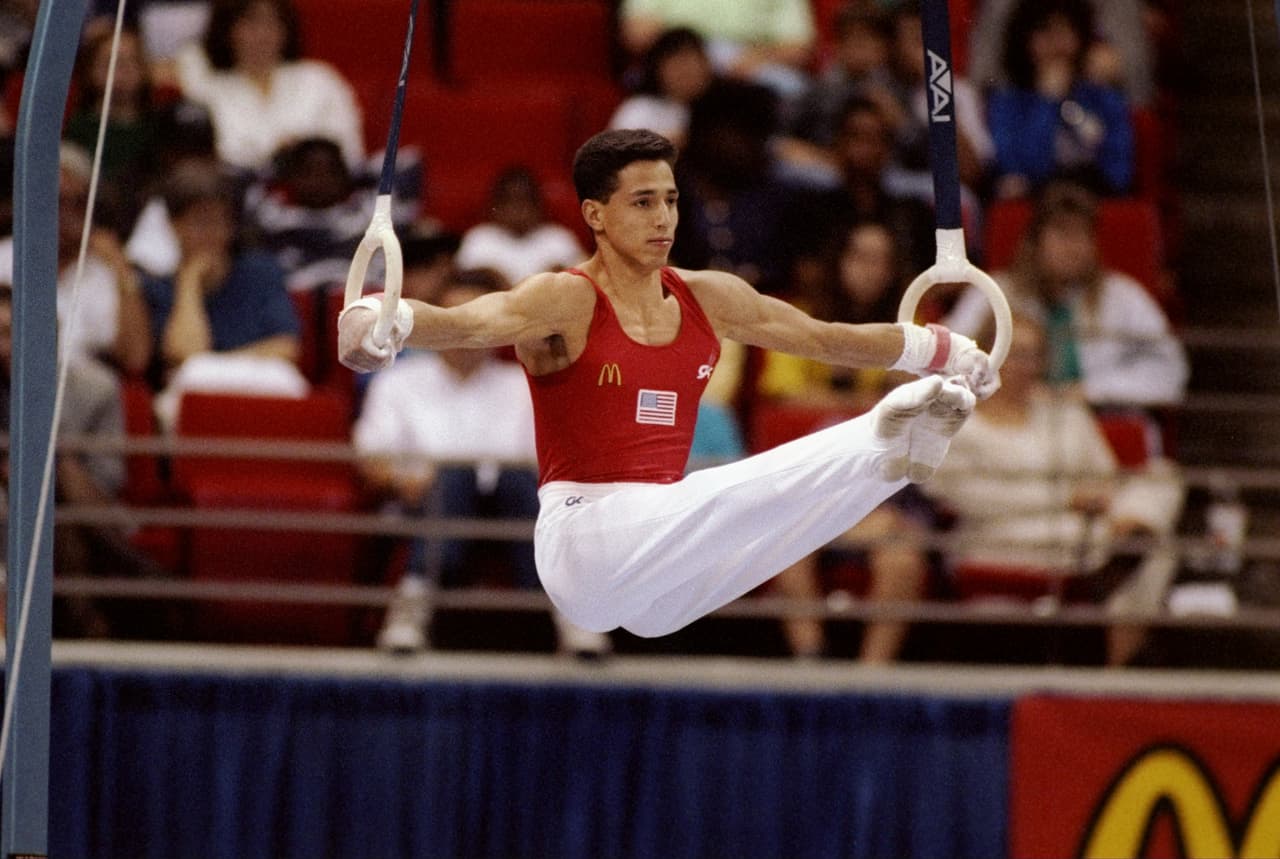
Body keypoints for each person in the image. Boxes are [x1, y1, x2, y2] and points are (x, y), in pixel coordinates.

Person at [338, 128, 997, 641]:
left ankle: (889, 459)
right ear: (595, 214)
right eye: (643, 202)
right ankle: (876, 437)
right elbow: (469, 323)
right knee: (734, 491)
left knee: (781, 529)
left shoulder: (710, 297)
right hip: (585, 542)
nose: (664, 218)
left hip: (662, 576)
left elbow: (827, 337)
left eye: (672, 200)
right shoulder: (567, 297)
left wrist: (940, 346)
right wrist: (384, 318)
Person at [353, 270, 611, 657]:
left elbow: (553, 465)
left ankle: (570, 613)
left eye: (479, 316)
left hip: (515, 506)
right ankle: (411, 610)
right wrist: (402, 481)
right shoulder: (398, 381)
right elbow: (372, 456)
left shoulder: (526, 383)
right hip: (426, 501)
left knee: (519, 483)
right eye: (456, 316)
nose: (467, 328)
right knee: (453, 478)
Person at [922, 313, 1183, 666]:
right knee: (1156, 551)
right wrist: (1067, 499)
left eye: (1033, 355)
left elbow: (1105, 475)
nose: (1024, 365)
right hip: (997, 533)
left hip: (1087, 522)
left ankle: (1128, 540)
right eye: (1014, 354)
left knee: (1162, 475)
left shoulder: (1064, 412)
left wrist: (1110, 505)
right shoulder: (958, 421)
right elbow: (973, 498)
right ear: (986, 356)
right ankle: (1111, 662)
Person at [946, 181, 1187, 415]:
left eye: (1083, 235)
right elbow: (949, 360)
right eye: (1062, 233)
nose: (1074, 247)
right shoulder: (994, 292)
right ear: (1034, 241)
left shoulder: (1123, 296)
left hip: (1099, 418)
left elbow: (1171, 371)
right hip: (1011, 422)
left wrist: (1093, 391)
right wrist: (1008, 387)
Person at [142, 158, 305, 428]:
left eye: (221, 223)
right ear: (174, 225)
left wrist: (214, 367)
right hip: (196, 414)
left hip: (258, 397)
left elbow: (285, 348)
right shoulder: (158, 286)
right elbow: (185, 353)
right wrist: (189, 282)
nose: (213, 235)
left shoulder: (260, 272)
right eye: (200, 222)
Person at [173, 0, 364, 175]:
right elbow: (212, 160)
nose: (262, 34)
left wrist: (303, 153)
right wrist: (273, 155)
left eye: (272, 23)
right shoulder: (206, 91)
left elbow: (350, 150)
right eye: (250, 23)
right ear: (227, 29)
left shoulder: (319, 79)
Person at [986, 0, 1135, 199]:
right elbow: (1019, 171)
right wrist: (1047, 102)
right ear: (1025, 39)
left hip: (1093, 202)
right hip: (1037, 205)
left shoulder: (1103, 98)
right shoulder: (1006, 103)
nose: (1055, 44)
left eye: (1064, 32)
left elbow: (1119, 174)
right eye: (1045, 32)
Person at [454, 166, 587, 287]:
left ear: (538, 205)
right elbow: (459, 285)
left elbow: (587, 276)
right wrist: (489, 276)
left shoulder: (558, 238)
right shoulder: (479, 238)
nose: (517, 210)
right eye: (510, 201)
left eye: (524, 201)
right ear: (496, 205)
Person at [609, 26, 715, 150]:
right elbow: (614, 156)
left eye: (694, 63)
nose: (687, 72)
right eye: (678, 65)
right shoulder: (640, 109)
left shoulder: (719, 112)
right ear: (658, 69)